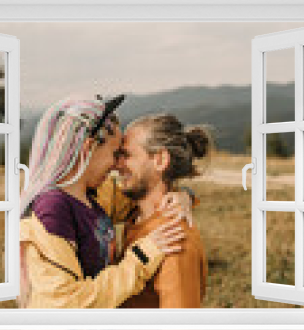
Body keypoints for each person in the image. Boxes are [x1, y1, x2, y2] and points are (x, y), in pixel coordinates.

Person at [18, 96, 192, 308]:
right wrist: (141, 257)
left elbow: (147, 191)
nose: (117, 165)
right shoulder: (52, 210)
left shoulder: (92, 195)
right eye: (115, 153)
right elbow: (66, 304)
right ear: (88, 149)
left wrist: (182, 195)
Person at [116, 114, 210, 308]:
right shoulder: (135, 216)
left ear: (160, 160)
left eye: (127, 155)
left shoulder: (173, 239)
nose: (118, 165)